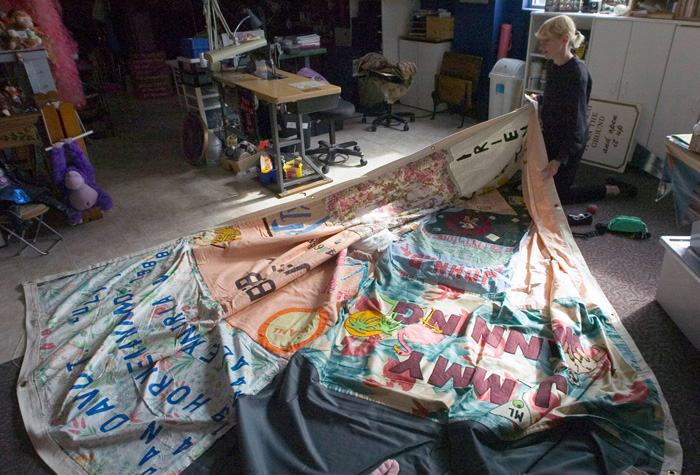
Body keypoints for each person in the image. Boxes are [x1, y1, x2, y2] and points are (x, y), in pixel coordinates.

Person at [533, 15, 636, 204]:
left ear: (565, 39)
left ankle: (611, 189)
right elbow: (554, 98)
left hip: (570, 140)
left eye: (547, 41)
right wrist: (538, 99)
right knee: (538, 184)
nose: (542, 46)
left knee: (559, 197)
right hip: (552, 133)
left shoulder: (576, 74)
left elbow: (576, 124)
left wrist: (559, 160)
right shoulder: (552, 64)